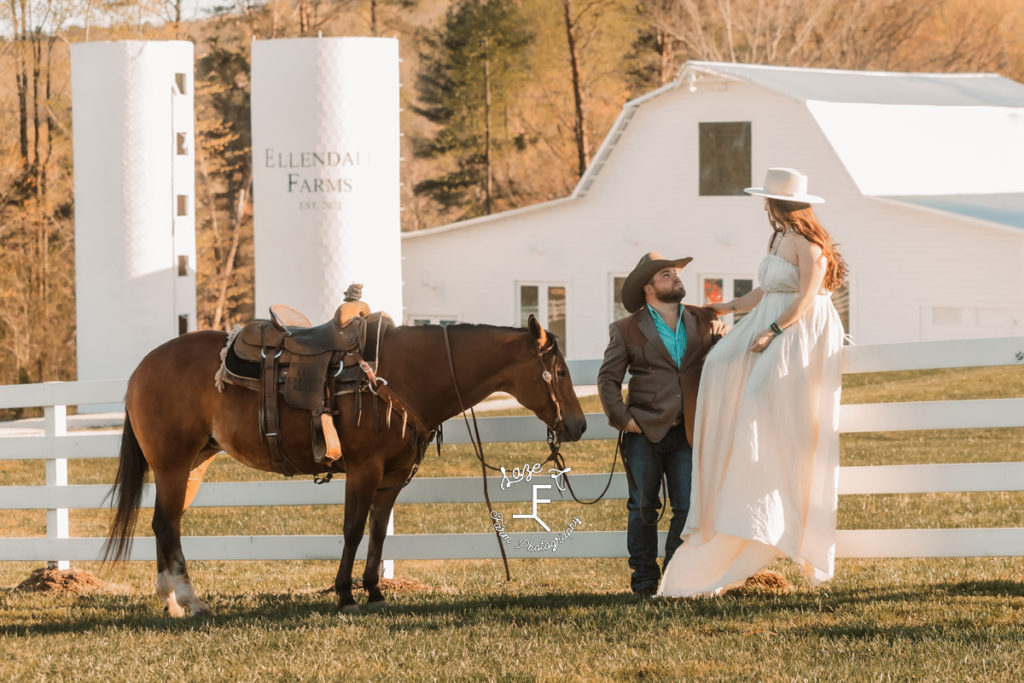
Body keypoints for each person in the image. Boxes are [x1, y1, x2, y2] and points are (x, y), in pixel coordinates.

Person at [658, 167, 847, 597]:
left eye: (769, 201)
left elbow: (804, 297)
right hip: (770, 317)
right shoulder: (779, 238)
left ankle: (765, 468)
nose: (764, 207)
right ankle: (734, 469)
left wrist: (775, 331)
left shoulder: (811, 245)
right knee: (720, 363)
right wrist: (722, 306)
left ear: (783, 205)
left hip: (799, 328)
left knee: (762, 394)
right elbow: (765, 291)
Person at [598, 252, 727, 596]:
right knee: (643, 508)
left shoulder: (704, 320)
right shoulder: (626, 329)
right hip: (643, 433)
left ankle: (672, 577)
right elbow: (608, 380)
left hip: (687, 433)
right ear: (648, 288)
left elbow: (732, 348)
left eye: (675, 274)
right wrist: (623, 419)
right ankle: (643, 581)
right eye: (667, 275)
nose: (676, 278)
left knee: (687, 508)